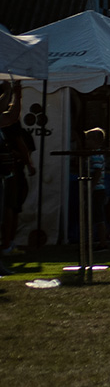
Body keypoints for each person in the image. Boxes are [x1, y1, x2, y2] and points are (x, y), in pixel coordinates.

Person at [2, 84, 37, 262]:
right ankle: (6, 244)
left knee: (11, 207)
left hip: (7, 172)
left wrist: (14, 94)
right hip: (7, 173)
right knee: (10, 208)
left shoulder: (10, 123)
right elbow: (10, 116)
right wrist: (13, 93)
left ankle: (7, 244)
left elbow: (11, 117)